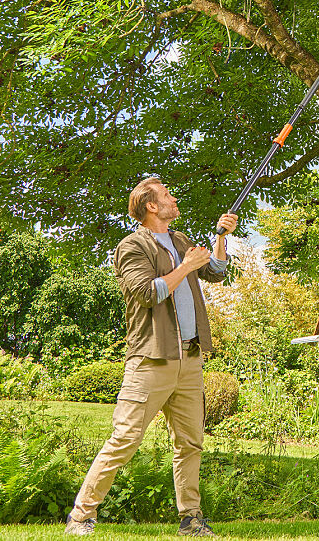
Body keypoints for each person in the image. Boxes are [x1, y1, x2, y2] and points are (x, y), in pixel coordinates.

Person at [64, 177, 238, 537]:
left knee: (190, 443)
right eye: (167, 195)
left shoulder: (180, 241)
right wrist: (187, 267)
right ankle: (81, 516)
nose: (174, 199)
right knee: (124, 439)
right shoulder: (132, 246)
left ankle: (191, 519)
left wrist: (221, 238)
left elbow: (217, 272)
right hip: (151, 359)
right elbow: (147, 293)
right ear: (151, 206)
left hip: (189, 360)